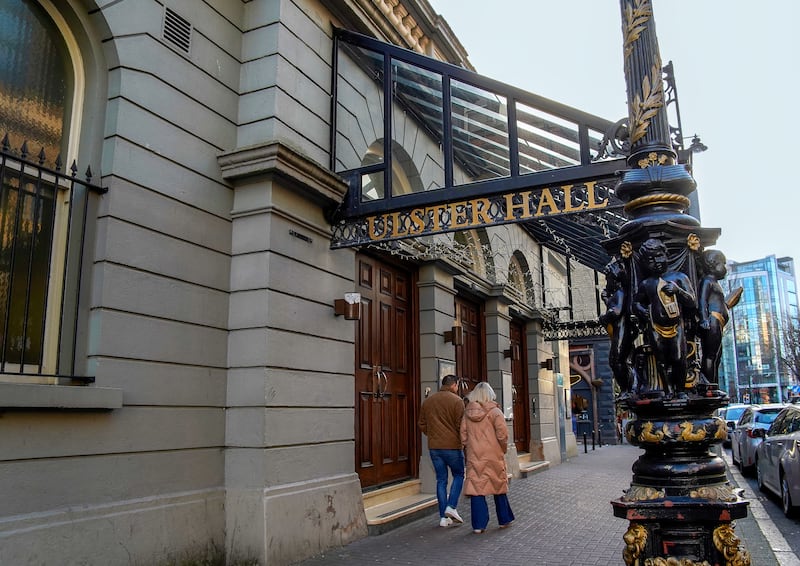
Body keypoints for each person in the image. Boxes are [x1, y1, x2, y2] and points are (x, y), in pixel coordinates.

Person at [632, 238, 696, 398]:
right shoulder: (647, 283)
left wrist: (678, 291)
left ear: (666, 255)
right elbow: (636, 302)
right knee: (661, 360)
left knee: (678, 358)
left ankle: (681, 391)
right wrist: (642, 311)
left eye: (659, 256)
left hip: (676, 326)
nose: (656, 262)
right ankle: (668, 391)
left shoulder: (679, 278)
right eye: (650, 260)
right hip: (655, 327)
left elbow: (692, 301)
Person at [460, 382, 515, 533]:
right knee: (498, 485)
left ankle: (479, 525)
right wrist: (502, 449)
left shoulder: (467, 413)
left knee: (477, 488)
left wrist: (470, 447)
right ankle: (504, 519)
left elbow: (463, 436)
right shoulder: (495, 412)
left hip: (475, 455)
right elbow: (502, 435)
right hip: (493, 454)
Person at [418, 374, 465, 527]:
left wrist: (431, 434)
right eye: (457, 385)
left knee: (441, 480)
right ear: (454, 385)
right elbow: (461, 426)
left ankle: (443, 518)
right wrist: (462, 441)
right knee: (459, 475)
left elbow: (422, 424)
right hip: (453, 447)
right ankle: (451, 507)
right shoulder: (458, 401)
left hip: (434, 447)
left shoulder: (428, 401)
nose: (458, 388)